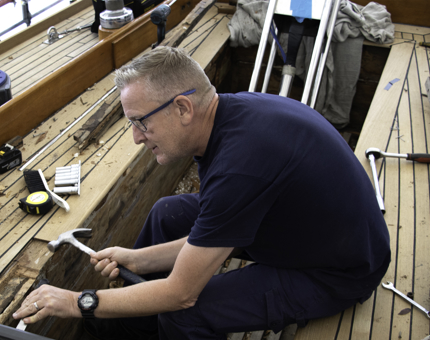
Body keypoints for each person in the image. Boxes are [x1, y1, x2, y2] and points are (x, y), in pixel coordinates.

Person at [13, 46, 390, 340]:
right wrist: (137, 258)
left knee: (184, 314)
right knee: (167, 213)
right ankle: (138, 330)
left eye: (140, 122)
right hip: (293, 226)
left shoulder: (240, 165)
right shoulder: (230, 117)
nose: (136, 137)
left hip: (335, 269)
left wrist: (80, 302)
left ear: (182, 107)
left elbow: (181, 293)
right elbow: (213, 228)